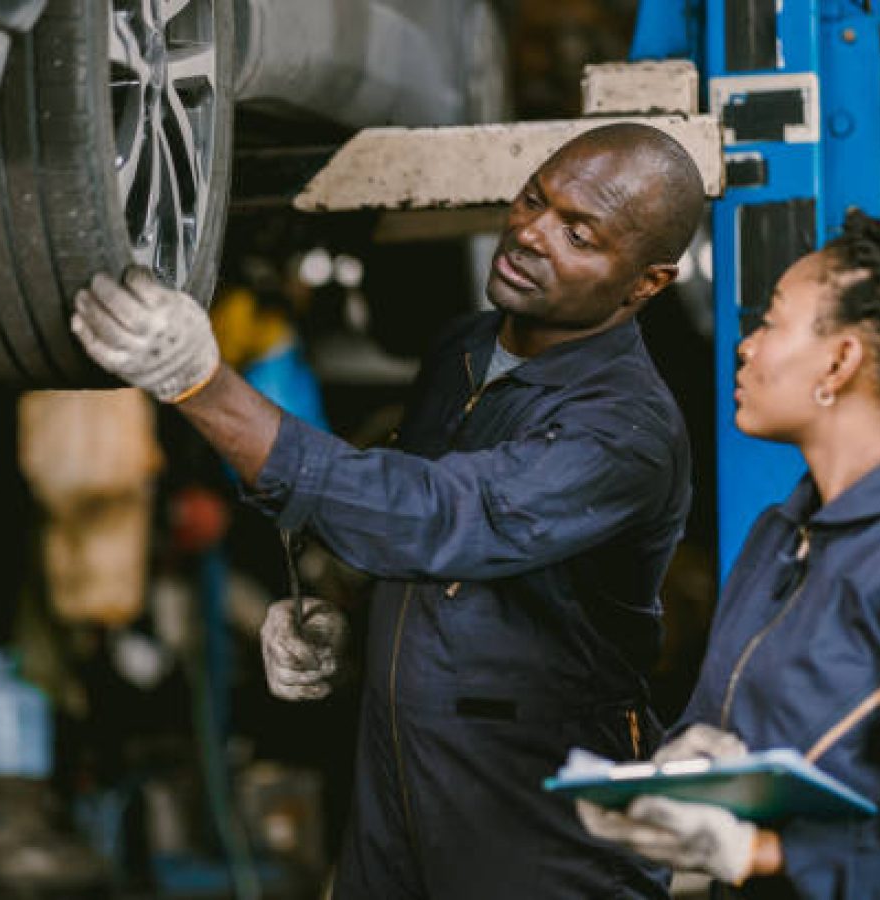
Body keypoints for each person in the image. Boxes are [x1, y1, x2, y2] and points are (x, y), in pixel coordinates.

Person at [70, 122, 706, 899]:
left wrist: (204, 385)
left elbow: (438, 518)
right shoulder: (464, 350)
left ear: (646, 282)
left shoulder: (624, 431)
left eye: (578, 233)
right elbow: (422, 544)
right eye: (534, 198)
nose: (532, 233)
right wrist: (358, 628)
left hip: (540, 822)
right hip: (399, 791)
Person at [579, 211, 880, 898]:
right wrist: (680, 774)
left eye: (773, 321)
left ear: (840, 361)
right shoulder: (782, 533)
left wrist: (770, 853)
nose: (747, 346)